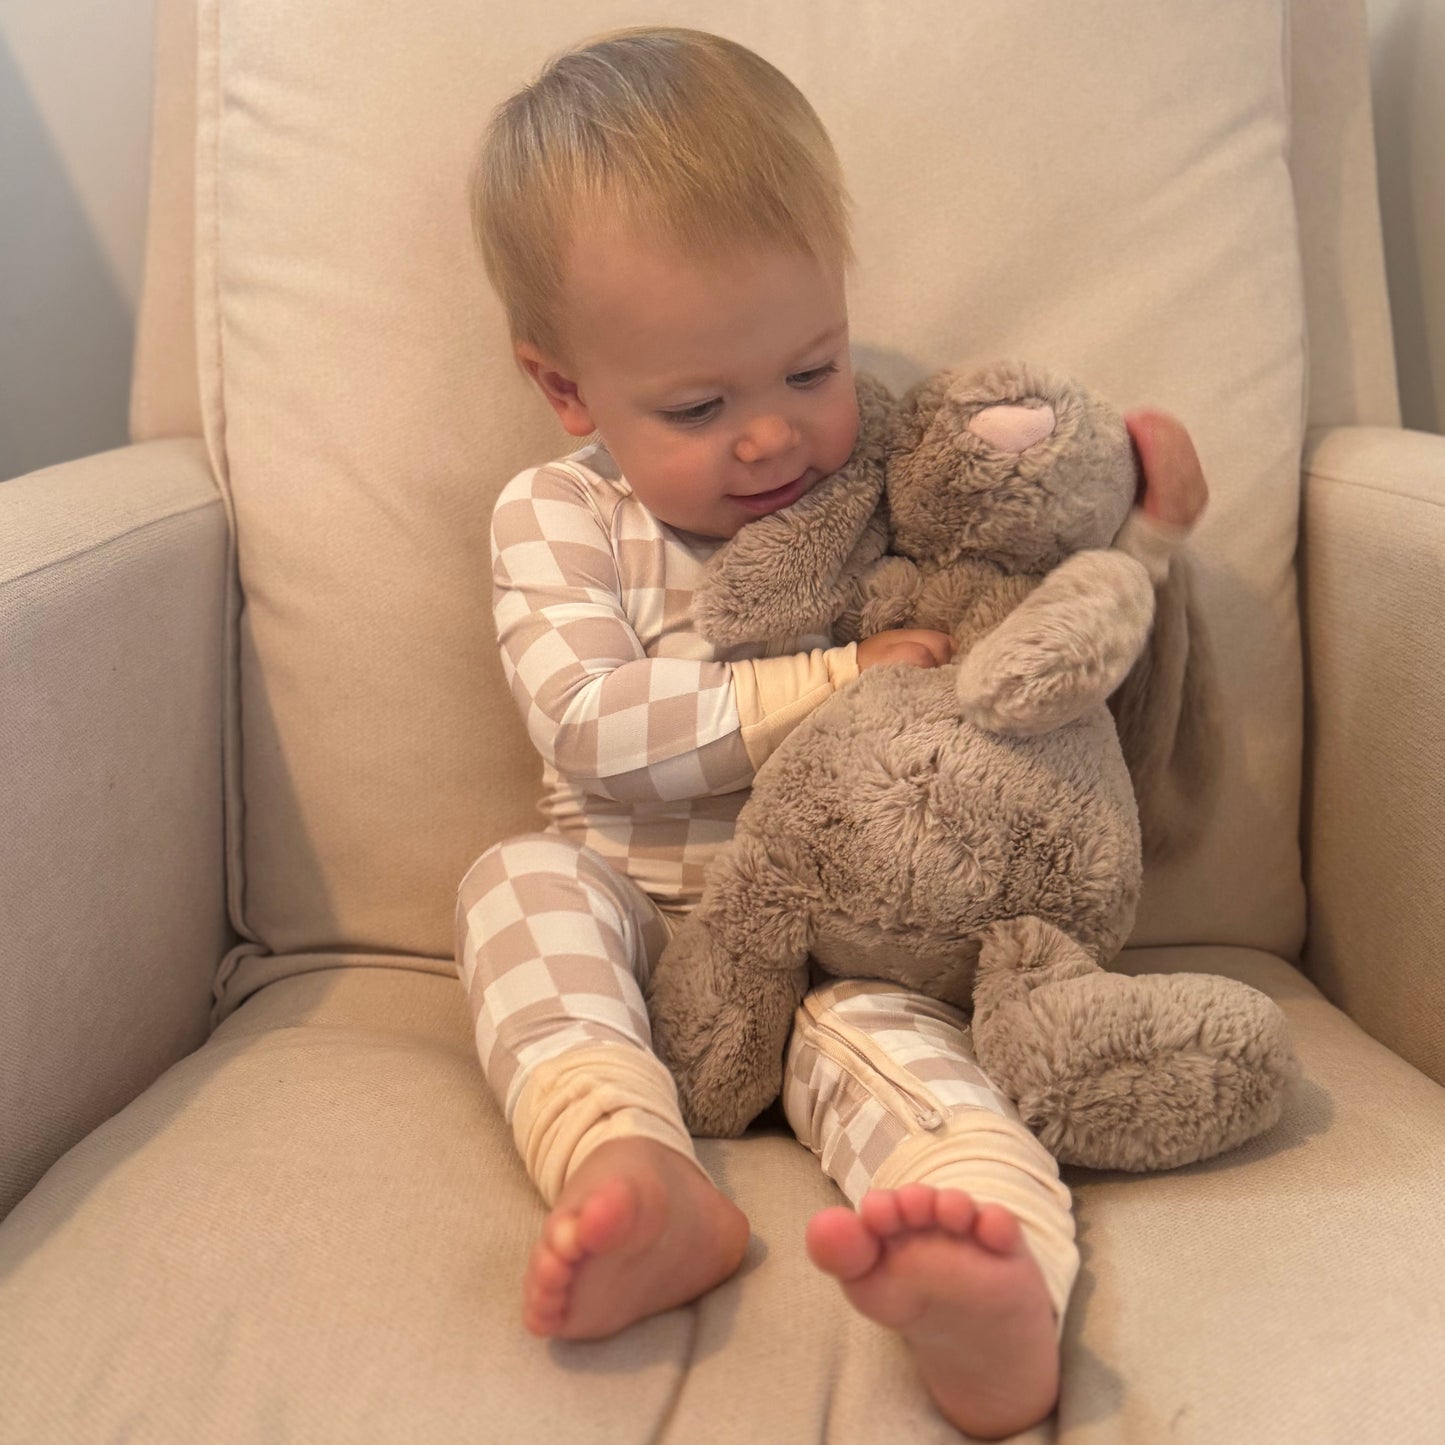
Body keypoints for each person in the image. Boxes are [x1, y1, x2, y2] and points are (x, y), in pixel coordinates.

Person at [456, 26, 1206, 1439]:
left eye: (810, 368)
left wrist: (1144, 530)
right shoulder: (557, 517)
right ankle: (628, 1162)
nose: (769, 440)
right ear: (567, 391)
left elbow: (1027, 616)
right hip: (648, 917)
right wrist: (837, 675)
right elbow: (590, 726)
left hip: (844, 932)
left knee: (903, 1061)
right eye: (697, 404)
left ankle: (993, 1284)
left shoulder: (871, 484)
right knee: (514, 889)